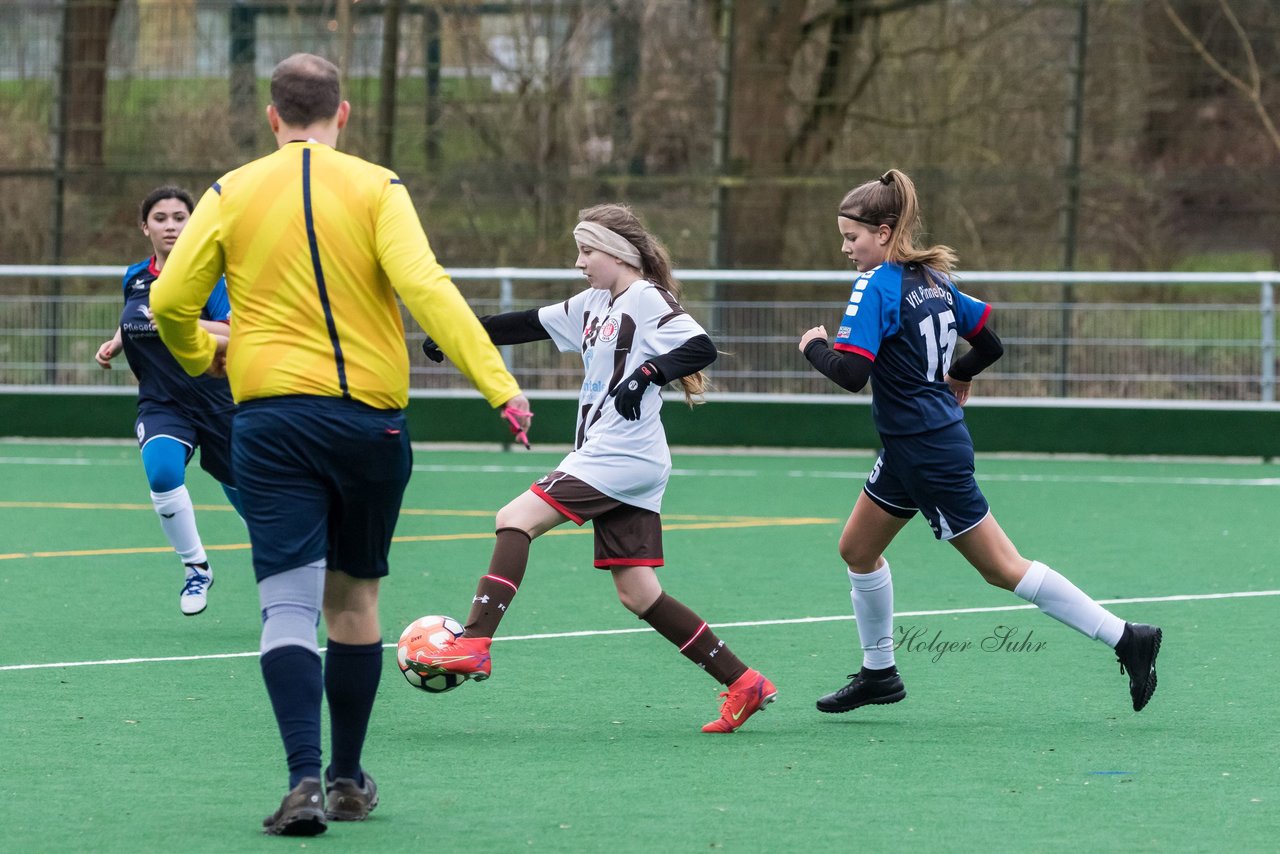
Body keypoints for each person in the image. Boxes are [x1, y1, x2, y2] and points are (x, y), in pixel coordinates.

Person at [150, 54, 532, 836]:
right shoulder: (377, 186)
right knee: (354, 600)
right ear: (343, 114)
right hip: (369, 421)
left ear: (271, 117)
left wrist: (201, 357)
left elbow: (169, 301)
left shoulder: (229, 191)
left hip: (271, 422)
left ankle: (300, 784)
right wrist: (499, 385)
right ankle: (349, 778)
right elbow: (427, 288)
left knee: (287, 602)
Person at [798, 168, 1162, 716]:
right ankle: (880, 674)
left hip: (927, 450)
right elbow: (989, 342)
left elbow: (852, 374)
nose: (847, 249)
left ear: (884, 230)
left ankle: (1127, 637)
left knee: (1002, 567)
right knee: (857, 549)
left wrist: (813, 347)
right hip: (911, 447)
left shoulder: (876, 285)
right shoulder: (934, 279)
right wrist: (961, 373)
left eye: (853, 238)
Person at [414, 203, 777, 734]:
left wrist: (647, 373)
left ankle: (473, 641)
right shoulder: (592, 303)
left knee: (515, 518)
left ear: (619, 254)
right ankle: (745, 682)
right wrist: (458, 333)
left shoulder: (645, 298)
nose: (579, 262)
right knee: (638, 593)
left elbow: (700, 347)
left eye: (588, 251)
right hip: (623, 458)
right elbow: (521, 324)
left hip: (620, 454)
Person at [94, 186, 243, 617]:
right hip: (163, 403)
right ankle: (196, 567)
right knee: (161, 473)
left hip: (221, 404)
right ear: (146, 227)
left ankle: (295, 578)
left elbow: (239, 335)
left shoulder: (212, 279)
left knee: (257, 511)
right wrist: (116, 342)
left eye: (180, 217)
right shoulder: (134, 276)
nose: (172, 226)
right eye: (161, 218)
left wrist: (184, 322)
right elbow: (137, 316)